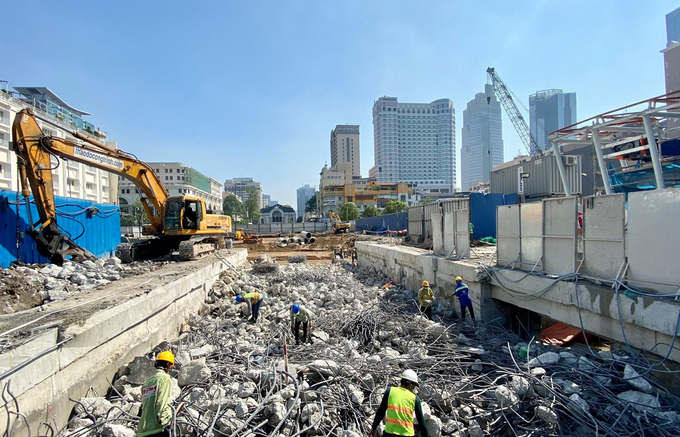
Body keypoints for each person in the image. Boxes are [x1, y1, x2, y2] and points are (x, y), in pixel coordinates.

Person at [369, 369, 429, 437]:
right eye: (414, 386)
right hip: (407, 435)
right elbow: (421, 422)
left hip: (389, 434)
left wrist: (373, 428)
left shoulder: (390, 391)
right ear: (410, 385)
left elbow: (381, 412)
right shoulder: (414, 399)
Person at [137, 351, 175, 437]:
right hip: (156, 429)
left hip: (143, 429)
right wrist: (165, 422)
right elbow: (162, 401)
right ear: (168, 365)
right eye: (170, 366)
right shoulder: (164, 378)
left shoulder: (147, 382)